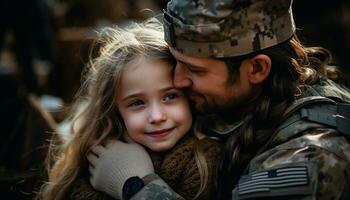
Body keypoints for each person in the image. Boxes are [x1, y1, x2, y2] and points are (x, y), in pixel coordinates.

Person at [88, 0, 350, 199]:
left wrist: (137, 184)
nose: (177, 81)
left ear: (257, 69)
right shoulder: (234, 100)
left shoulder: (311, 156)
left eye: (195, 70)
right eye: (176, 62)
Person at [38, 19, 221, 200]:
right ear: (114, 111)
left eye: (170, 96)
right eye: (137, 103)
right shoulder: (93, 165)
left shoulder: (210, 163)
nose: (157, 116)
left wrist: (135, 183)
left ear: (189, 97)